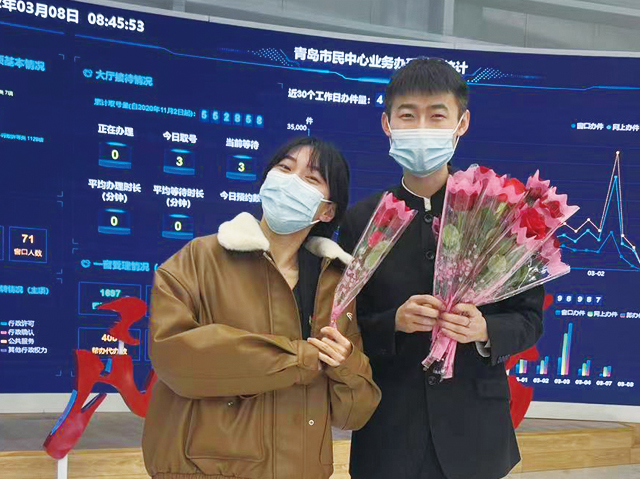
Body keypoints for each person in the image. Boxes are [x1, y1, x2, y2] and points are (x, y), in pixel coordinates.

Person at [339, 58, 544, 479]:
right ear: (387, 124)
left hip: (475, 435)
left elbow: (529, 319)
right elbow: (342, 323)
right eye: (407, 115)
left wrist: (485, 330)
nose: (421, 127)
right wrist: (393, 322)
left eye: (436, 116)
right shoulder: (364, 220)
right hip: (389, 432)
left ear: (461, 123)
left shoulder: (498, 214)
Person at [142, 137, 381, 479]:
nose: (291, 182)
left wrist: (346, 365)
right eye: (284, 168)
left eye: (311, 178)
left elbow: (352, 415)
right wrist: (300, 358)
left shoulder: (336, 285)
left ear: (327, 210)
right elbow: (174, 357)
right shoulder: (198, 259)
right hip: (207, 469)